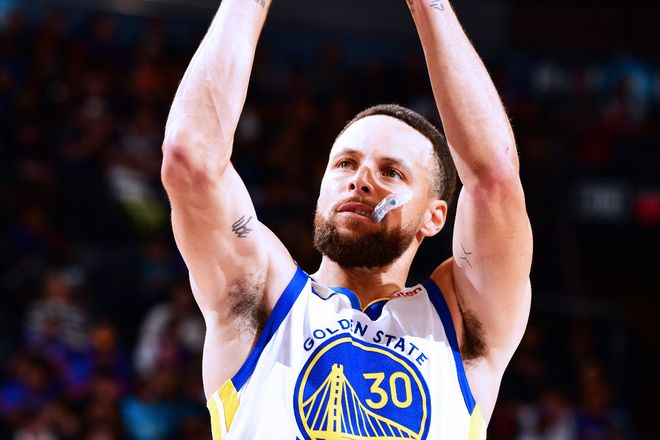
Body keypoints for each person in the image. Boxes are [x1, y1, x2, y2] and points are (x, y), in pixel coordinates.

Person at [161, 0, 532, 438]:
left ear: (434, 217)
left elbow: (495, 178)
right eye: (345, 164)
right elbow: (191, 158)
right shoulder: (263, 295)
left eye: (391, 172)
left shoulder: (461, 319)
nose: (360, 180)